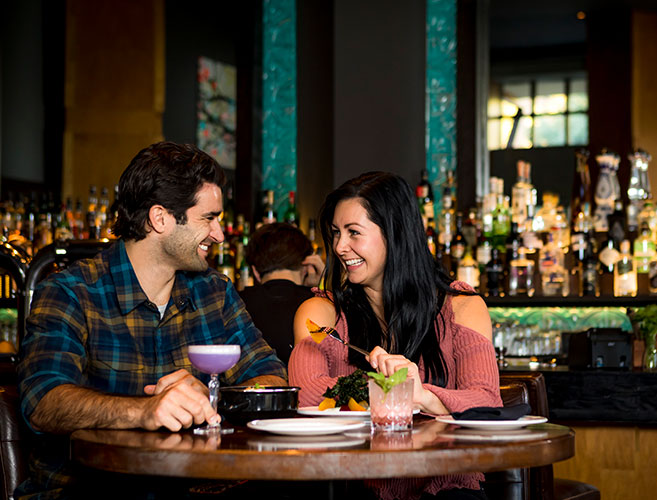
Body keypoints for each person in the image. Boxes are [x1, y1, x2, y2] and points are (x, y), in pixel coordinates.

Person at [17, 142, 287, 498]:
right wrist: (145, 411)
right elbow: (44, 402)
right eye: (209, 218)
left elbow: (271, 376)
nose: (220, 234)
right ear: (160, 218)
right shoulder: (72, 292)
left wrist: (208, 400)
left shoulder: (214, 292)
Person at [289, 171, 501, 500]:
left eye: (353, 233)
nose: (340, 247)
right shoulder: (321, 313)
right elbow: (305, 395)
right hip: (354, 485)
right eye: (335, 233)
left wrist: (422, 396)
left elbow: (488, 401)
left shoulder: (462, 308)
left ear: (395, 233)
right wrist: (382, 388)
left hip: (445, 485)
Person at [240, 222, 324, 364]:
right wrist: (322, 287)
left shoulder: (235, 302)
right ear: (306, 266)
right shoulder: (320, 305)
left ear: (255, 271)